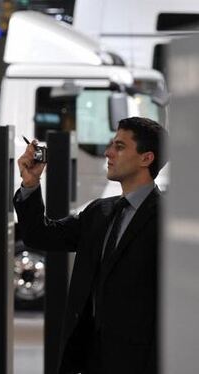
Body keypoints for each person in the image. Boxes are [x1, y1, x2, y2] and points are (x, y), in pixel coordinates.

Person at [14, 117, 167, 374]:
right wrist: (30, 184)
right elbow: (39, 235)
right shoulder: (99, 212)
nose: (108, 153)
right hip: (89, 359)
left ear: (146, 158)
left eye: (119, 147)